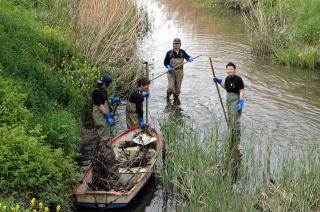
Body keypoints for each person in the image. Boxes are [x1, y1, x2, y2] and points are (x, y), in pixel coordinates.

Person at [213, 62, 245, 140]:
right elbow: (226, 87)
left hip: (236, 100)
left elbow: (241, 91)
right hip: (229, 100)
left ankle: (237, 136)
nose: (229, 70)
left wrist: (241, 102)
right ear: (226, 70)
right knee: (230, 117)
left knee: (235, 118)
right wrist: (219, 81)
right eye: (228, 69)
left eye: (231, 69)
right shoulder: (227, 78)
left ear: (234, 70)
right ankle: (232, 132)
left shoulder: (238, 79)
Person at [164, 38, 193, 105]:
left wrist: (189, 58)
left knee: (177, 89)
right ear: (173, 44)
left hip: (180, 72)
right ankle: (168, 97)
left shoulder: (182, 52)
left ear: (180, 45)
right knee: (170, 87)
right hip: (171, 72)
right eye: (175, 43)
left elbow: (188, 57)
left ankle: (176, 100)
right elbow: (165, 62)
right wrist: (168, 67)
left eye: (178, 44)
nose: (176, 45)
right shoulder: (169, 53)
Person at [92, 74, 121, 142]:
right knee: (102, 132)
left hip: (103, 115)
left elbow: (104, 101)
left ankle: (105, 144)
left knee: (105, 131)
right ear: (104, 84)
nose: (108, 87)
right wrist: (108, 117)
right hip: (100, 115)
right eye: (108, 85)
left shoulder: (101, 91)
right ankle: (103, 148)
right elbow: (101, 106)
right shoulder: (97, 92)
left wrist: (112, 100)